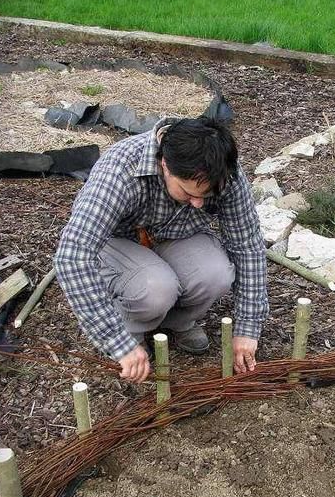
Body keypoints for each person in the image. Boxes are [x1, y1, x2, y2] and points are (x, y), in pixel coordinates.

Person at [54, 116, 269, 383]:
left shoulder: (223, 171)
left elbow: (247, 244)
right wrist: (115, 340)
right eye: (188, 193)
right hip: (119, 242)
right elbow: (73, 255)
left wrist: (248, 327)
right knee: (155, 288)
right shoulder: (120, 170)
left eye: (206, 196)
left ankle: (175, 320)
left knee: (216, 274)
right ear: (165, 165)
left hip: (175, 235)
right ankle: (128, 327)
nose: (199, 204)